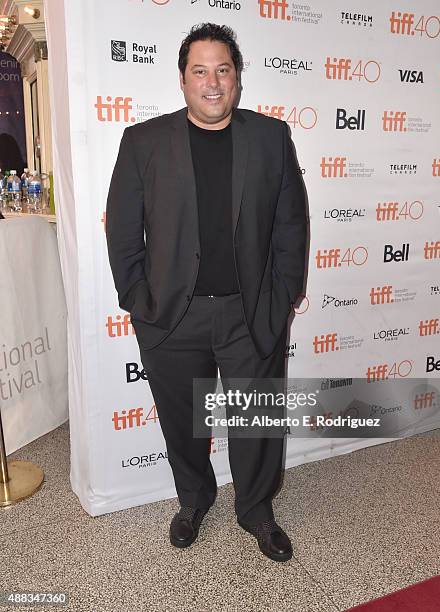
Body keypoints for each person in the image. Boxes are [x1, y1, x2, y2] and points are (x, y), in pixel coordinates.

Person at [106, 23, 308, 562]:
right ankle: (193, 499)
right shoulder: (143, 142)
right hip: (172, 315)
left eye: (223, 70)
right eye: (200, 71)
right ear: (182, 79)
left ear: (237, 79)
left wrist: (282, 295)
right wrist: (138, 299)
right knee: (181, 422)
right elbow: (123, 230)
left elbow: (292, 225)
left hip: (250, 312)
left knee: (255, 420)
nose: (212, 82)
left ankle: (257, 511)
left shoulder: (270, 138)